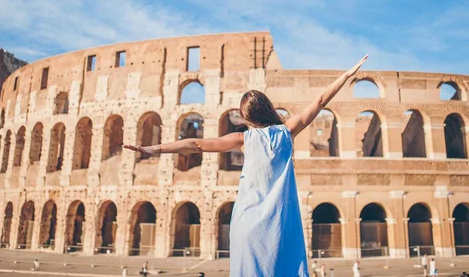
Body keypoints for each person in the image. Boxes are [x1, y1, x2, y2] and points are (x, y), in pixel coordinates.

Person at [124, 55, 370, 277]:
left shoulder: (243, 139)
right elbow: (320, 100)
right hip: (280, 225)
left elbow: (196, 145)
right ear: (267, 109)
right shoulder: (286, 132)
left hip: (247, 226)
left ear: (247, 117)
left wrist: (153, 149)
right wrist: (346, 76)